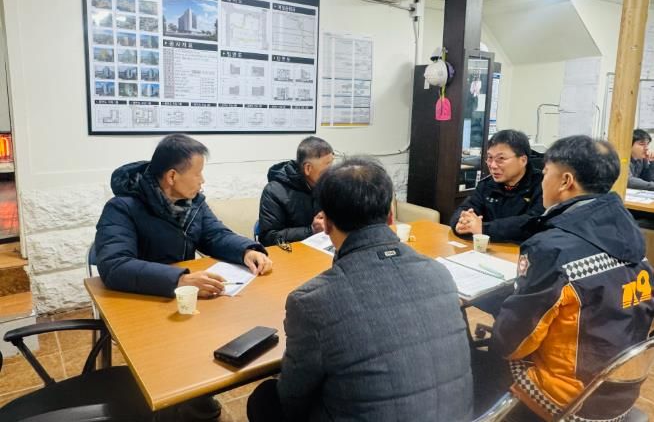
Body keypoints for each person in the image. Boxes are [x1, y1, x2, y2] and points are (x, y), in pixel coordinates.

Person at [247, 156, 473, 422]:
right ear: (390, 217)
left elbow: (292, 399)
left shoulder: (311, 302)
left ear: (326, 225)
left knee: (264, 399)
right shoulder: (439, 272)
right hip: (459, 415)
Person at [489, 135, 654, 421]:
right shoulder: (632, 237)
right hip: (620, 390)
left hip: (572, 399)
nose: (542, 182)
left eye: (546, 174)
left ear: (565, 181)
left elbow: (513, 343)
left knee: (485, 357)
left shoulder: (552, 249)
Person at [95, 134, 272, 300]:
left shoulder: (192, 202)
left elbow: (215, 235)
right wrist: (179, 280)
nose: (202, 180)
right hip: (143, 297)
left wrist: (245, 251)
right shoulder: (121, 208)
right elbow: (114, 265)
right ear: (172, 176)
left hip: (183, 298)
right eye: (197, 173)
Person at [450, 129, 544, 243]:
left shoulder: (542, 185)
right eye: (490, 158)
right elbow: (466, 208)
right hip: (488, 247)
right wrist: (461, 222)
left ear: (523, 160)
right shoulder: (486, 184)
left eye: (501, 159)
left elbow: (534, 221)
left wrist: (484, 229)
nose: (493, 165)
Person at [258, 136, 334, 246]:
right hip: (291, 252)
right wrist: (311, 230)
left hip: (324, 247)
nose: (331, 172)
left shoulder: (328, 185)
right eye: (327, 168)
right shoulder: (274, 191)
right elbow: (268, 237)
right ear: (308, 168)